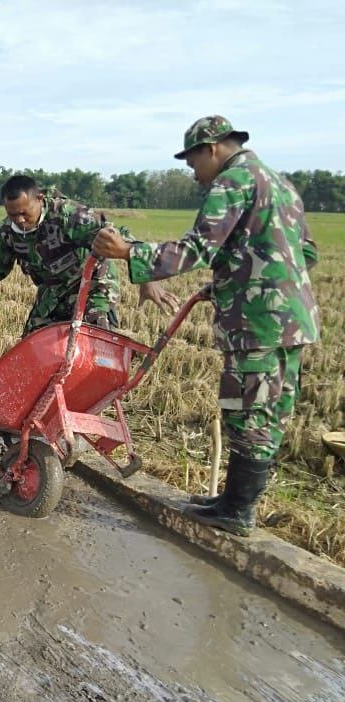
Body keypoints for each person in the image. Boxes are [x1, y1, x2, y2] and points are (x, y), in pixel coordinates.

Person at [93, 116, 320, 536]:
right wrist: (236, 281)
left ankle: (236, 512)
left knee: (247, 411)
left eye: (193, 162)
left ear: (212, 148)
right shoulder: (280, 183)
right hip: (291, 320)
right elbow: (304, 252)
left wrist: (130, 252)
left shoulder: (233, 181)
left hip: (258, 324)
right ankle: (234, 502)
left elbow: (199, 246)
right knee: (268, 411)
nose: (193, 173)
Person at [0, 175, 177, 337]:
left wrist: (146, 278)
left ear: (39, 199)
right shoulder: (7, 233)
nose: (19, 220)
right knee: (33, 345)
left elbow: (117, 236)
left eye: (24, 212)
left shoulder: (68, 216)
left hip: (92, 285)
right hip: (54, 291)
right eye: (12, 214)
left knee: (93, 341)